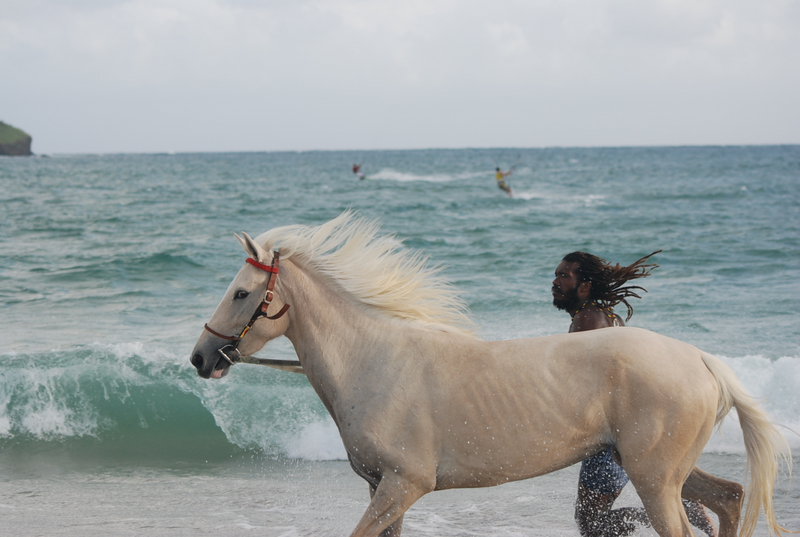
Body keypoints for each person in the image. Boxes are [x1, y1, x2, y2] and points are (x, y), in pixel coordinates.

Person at [552, 250, 744, 537]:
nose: (555, 281)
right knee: (662, 486)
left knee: (591, 524)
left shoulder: (586, 320)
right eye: (556, 274)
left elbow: (585, 387)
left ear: (584, 286)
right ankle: (689, 508)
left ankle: (682, 513)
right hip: (627, 426)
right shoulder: (608, 316)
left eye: (563, 276)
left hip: (607, 438)